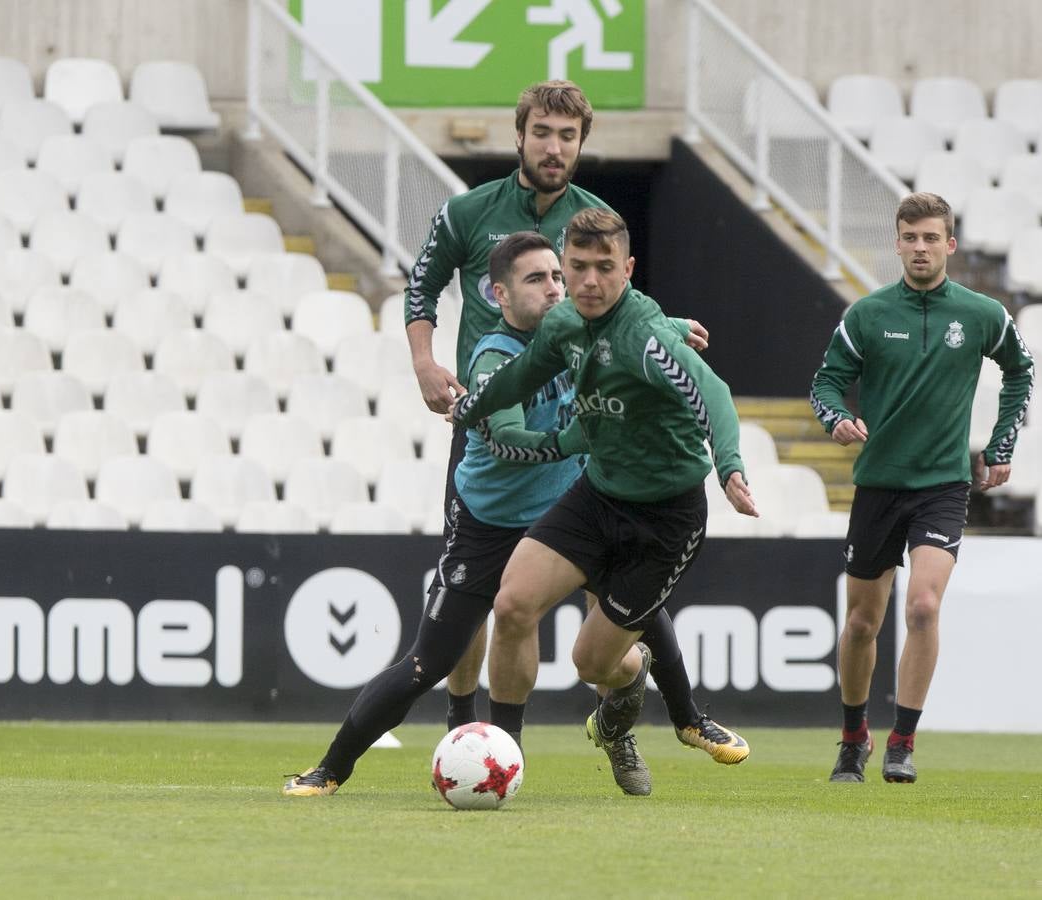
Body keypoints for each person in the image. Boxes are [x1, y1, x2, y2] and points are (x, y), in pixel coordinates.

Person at [284, 232, 717, 798]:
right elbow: (511, 442)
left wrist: (674, 328)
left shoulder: (578, 333)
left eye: (557, 276)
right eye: (536, 280)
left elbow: (633, 323)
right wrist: (574, 439)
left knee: (638, 604)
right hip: (488, 525)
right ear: (500, 294)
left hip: (567, 516)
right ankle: (330, 769)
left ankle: (680, 720)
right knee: (428, 661)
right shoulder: (494, 356)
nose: (555, 289)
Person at [403, 79, 746, 771]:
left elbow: (625, 305)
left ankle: (664, 718)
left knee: (615, 594)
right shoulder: (467, 211)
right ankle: (467, 733)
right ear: (519, 134)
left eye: (567, 137)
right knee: (475, 595)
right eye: (542, 133)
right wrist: (423, 363)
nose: (553, 148)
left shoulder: (595, 217)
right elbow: (420, 283)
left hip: (577, 423)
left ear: (580, 145)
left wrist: (671, 326)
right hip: (495, 424)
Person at [451, 209, 758, 777]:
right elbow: (524, 375)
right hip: (597, 495)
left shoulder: (644, 338)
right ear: (565, 268)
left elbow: (711, 390)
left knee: (592, 661)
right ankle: (501, 757)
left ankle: (626, 698)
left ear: (628, 269)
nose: (590, 281)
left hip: (666, 518)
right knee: (513, 603)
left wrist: (730, 465)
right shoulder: (564, 321)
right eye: (578, 267)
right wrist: (474, 405)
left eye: (604, 268)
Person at [808, 192, 1034, 784]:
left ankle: (902, 742)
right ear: (897, 242)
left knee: (924, 606)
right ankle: (853, 738)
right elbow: (826, 383)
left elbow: (1022, 369)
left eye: (931, 238)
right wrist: (835, 417)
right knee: (861, 622)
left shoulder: (982, 314)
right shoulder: (868, 314)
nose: (920, 248)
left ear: (950, 245)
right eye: (910, 237)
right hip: (879, 484)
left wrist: (1002, 442)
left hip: (943, 484)